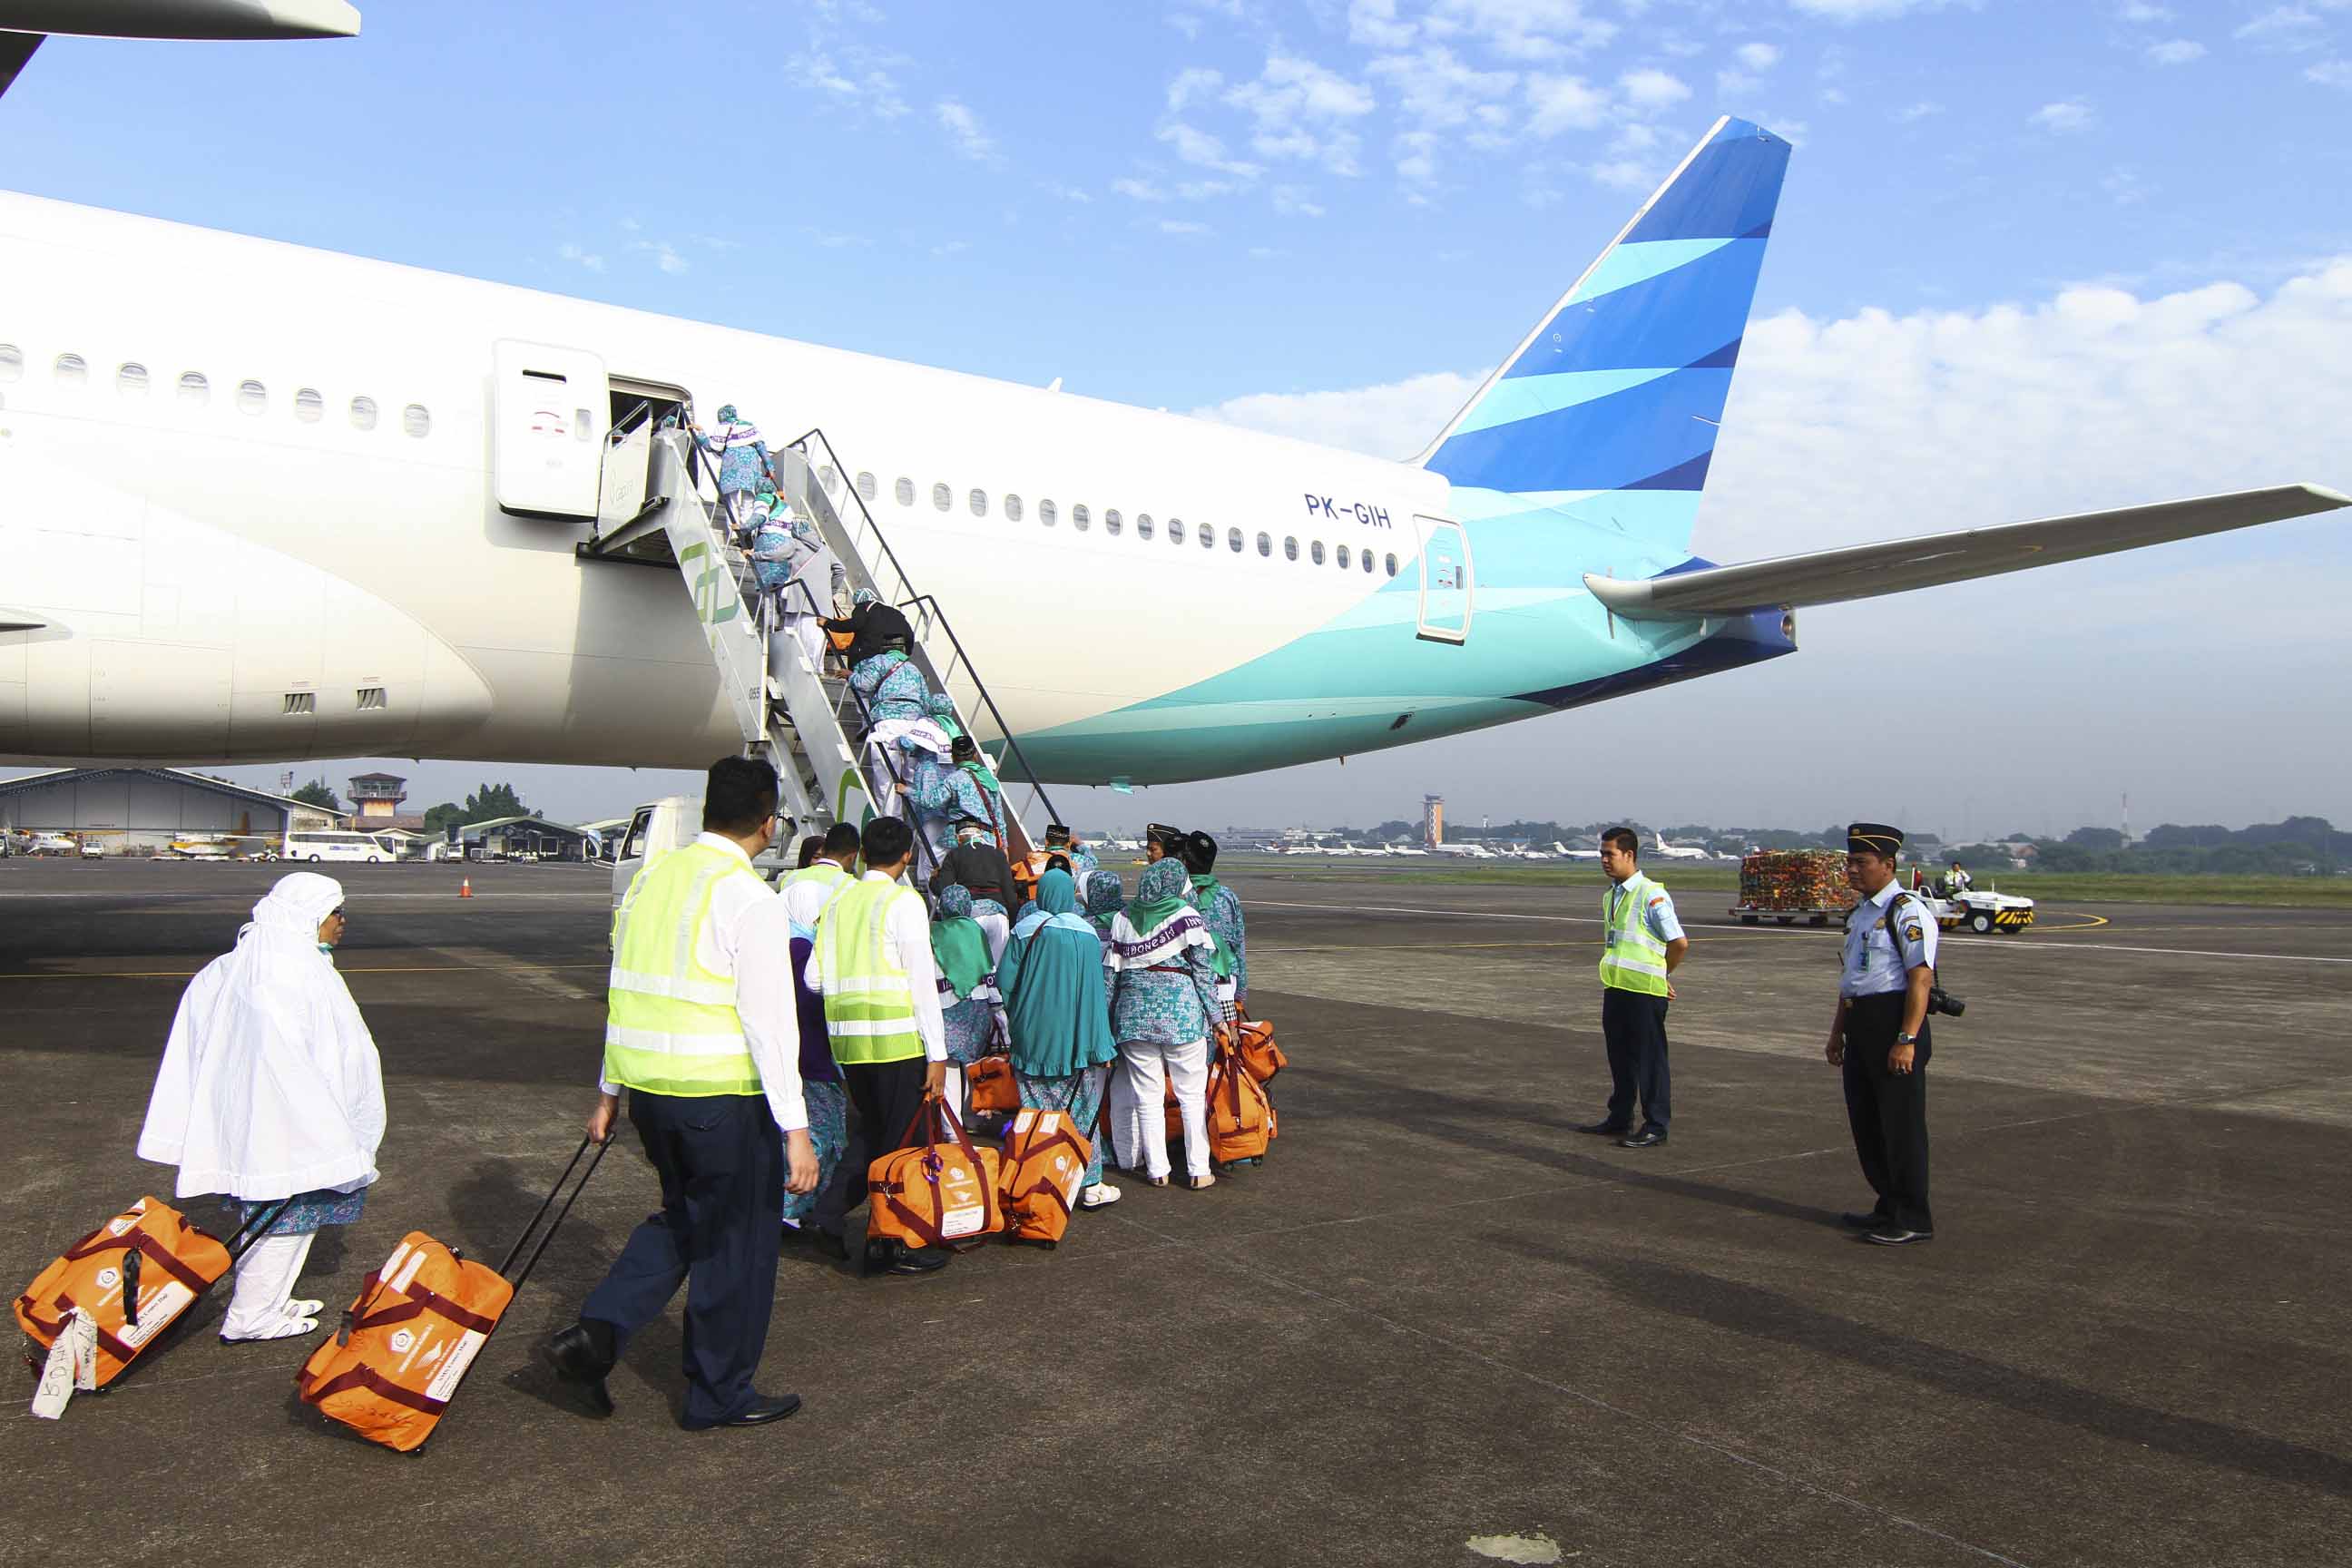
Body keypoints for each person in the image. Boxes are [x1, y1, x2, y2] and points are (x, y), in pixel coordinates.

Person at [541, 758, 820, 1428]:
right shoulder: (748, 896)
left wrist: (608, 1092)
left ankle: (597, 1334)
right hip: (722, 1100)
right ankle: (718, 1394)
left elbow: (625, 991)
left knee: (686, 1219)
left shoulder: (650, 882)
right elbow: (770, 1021)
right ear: (768, 820)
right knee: (738, 1246)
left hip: (653, 1097)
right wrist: (798, 1130)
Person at [136, 872, 385, 1342]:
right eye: (335, 912)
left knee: (276, 1214)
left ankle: (270, 1299)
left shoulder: (239, 965)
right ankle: (252, 1315)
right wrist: (326, 1124)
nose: (342, 922)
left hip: (259, 1120)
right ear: (307, 917)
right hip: (291, 1120)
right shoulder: (289, 972)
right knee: (287, 1216)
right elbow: (294, 1059)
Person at [802, 816, 953, 1275]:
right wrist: (939, 1055)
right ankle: (891, 1240)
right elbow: (922, 985)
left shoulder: (840, 900)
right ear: (907, 856)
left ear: (862, 853)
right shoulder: (902, 902)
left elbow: (813, 979)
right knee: (904, 1146)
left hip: (850, 1049)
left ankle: (826, 1215)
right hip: (898, 1043)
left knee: (874, 1136)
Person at [1828, 823, 1939, 1246]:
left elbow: (1921, 979)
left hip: (1893, 1024)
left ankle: (1914, 1216)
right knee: (1868, 1124)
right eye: (1850, 862)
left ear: (1888, 865)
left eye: (1861, 862)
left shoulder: (1906, 910)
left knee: (1901, 1126)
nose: (1852, 870)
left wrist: (1907, 1039)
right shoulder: (1861, 913)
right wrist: (1837, 1033)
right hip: (1861, 1023)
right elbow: (1851, 979)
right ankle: (1888, 1204)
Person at [995, 867, 1122, 1210]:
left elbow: (1004, 982)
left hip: (1032, 1037)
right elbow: (1095, 996)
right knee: (1081, 1110)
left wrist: (1020, 1016)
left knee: (1035, 1109)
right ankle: (1088, 1183)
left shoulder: (1026, 928)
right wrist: (1100, 1045)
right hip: (1076, 1041)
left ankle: (1034, 1176)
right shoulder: (1087, 934)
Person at [1102, 858, 1227, 1189]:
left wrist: (1107, 1022)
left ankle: (1158, 1169)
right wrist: (1218, 1018)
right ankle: (1199, 1169)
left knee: (1147, 1095)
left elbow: (1109, 978)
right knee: (1190, 1095)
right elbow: (1203, 973)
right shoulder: (1187, 917)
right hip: (1181, 1016)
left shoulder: (1122, 919)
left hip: (1133, 1017)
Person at [777, 823, 861, 1259]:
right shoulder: (816, 957)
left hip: (781, 1057)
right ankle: (800, 1208)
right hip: (818, 1058)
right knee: (825, 1135)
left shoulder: (779, 945)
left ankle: (790, 1205)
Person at [1578, 826, 1689, 1150]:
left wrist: (1662, 974)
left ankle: (1656, 1124)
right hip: (1616, 988)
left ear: (1629, 855)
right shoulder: (1611, 895)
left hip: (1644, 992)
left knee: (1651, 1060)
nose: (1604, 860)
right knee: (1620, 1057)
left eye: (1609, 854)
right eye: (1601, 854)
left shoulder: (1651, 894)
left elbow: (1679, 942)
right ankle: (1619, 1117)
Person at [931, 885, 1004, 1119]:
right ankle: (973, 1113)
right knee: (972, 1066)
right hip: (978, 1008)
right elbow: (988, 972)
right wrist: (1001, 1015)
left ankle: (953, 1129)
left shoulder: (933, 933)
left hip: (947, 1008)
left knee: (951, 1069)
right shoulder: (975, 930)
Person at [1180, 831, 1247, 1021]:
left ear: (1184, 861)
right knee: (1225, 1040)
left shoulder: (1178, 896)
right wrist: (1241, 991)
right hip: (1225, 978)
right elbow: (1239, 945)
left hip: (1191, 978)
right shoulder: (1228, 896)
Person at [690, 404, 771, 541]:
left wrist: (701, 434)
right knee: (749, 499)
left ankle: (734, 534)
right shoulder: (748, 425)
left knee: (731, 500)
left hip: (731, 464)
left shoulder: (723, 426)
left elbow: (713, 446)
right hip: (751, 464)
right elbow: (761, 446)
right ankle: (747, 532)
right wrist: (770, 466)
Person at [931, 818, 1015, 908]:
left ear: (958, 838)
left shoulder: (955, 854)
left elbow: (942, 888)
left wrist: (934, 878)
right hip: (997, 911)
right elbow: (1009, 891)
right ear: (981, 836)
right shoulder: (999, 854)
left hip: (971, 911)